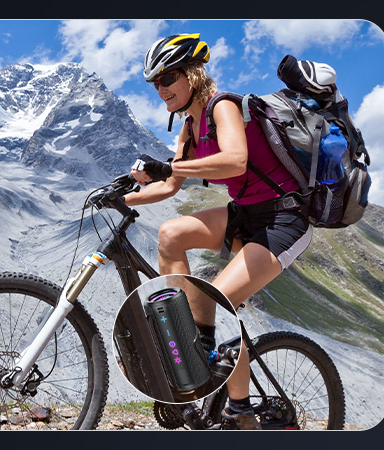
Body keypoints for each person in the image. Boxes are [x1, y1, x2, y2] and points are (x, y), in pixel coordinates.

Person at [123, 33, 313, 430]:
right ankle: (198, 343)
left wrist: (169, 167)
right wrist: (124, 198)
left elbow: (235, 162)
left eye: (168, 78)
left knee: (220, 297)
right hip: (244, 213)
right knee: (172, 234)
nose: (161, 89)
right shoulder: (188, 128)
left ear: (192, 74)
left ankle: (240, 409)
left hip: (283, 220)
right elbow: (170, 186)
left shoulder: (222, 105)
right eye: (155, 83)